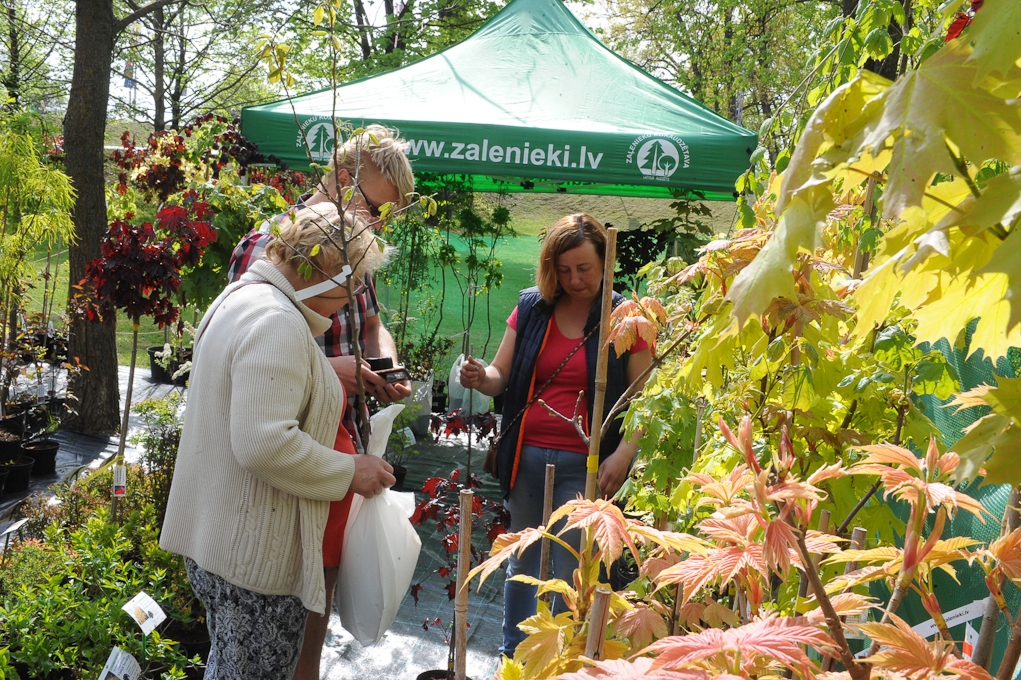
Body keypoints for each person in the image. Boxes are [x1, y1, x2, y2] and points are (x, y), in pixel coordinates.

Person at [160, 203, 396, 680]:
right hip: (254, 568)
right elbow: (265, 445)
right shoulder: (277, 323)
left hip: (220, 546)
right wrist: (352, 471)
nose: (348, 303)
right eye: (348, 289)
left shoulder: (239, 297)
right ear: (327, 274)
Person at [227, 126, 414, 679]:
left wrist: (387, 365)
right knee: (299, 589)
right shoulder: (272, 245)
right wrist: (335, 374)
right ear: (337, 178)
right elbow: (253, 356)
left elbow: (372, 324)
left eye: (384, 218)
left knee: (322, 582)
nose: (375, 224)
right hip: (298, 447)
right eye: (372, 206)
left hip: (340, 439)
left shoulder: (354, 243)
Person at [459, 213, 652, 657]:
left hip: (589, 465)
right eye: (563, 270)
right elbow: (499, 377)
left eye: (584, 268)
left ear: (606, 263)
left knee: (571, 569)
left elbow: (646, 401)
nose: (574, 279)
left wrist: (623, 455)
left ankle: (561, 661)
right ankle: (515, 657)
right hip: (525, 458)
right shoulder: (531, 308)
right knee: (523, 562)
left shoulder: (626, 318)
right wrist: (478, 376)